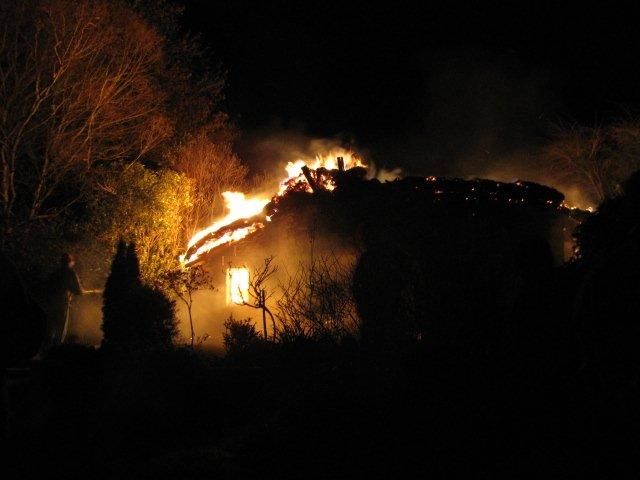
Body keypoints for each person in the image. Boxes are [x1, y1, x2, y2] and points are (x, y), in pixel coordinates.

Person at [46, 253, 100, 348]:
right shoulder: (70, 273)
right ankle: (56, 354)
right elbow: (78, 291)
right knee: (60, 331)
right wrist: (93, 292)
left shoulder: (55, 273)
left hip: (50, 304)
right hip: (62, 304)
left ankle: (46, 352)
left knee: (50, 329)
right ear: (71, 262)